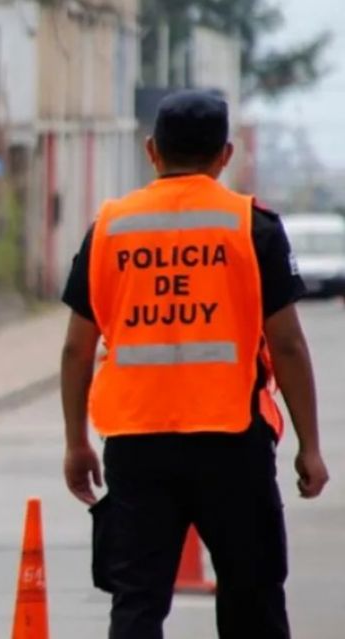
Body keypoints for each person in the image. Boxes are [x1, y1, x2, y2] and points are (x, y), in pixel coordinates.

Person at [59, 89, 329, 639]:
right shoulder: (253, 227)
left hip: (137, 442)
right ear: (224, 155)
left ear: (152, 150)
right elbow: (289, 345)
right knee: (251, 594)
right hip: (232, 440)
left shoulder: (109, 227)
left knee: (137, 600)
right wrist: (310, 444)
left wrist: (76, 442)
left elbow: (75, 349)